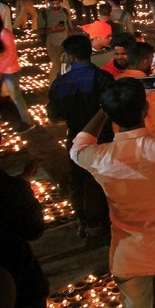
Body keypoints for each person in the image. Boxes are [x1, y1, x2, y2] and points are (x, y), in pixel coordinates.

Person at [70, 78, 155, 308]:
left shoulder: (101, 157)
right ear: (145, 109)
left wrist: (105, 109)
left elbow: (78, 146)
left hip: (127, 255)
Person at [0, 110, 49, 308]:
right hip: (15, 277)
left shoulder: (5, 186)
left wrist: (23, 178)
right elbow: (34, 229)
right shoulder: (8, 188)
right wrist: (23, 189)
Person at [47, 34, 116, 242]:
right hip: (103, 137)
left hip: (76, 136)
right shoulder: (104, 78)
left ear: (70, 56)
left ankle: (83, 220)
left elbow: (54, 115)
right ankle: (102, 222)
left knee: (77, 179)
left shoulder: (61, 83)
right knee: (101, 179)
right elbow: (113, 107)